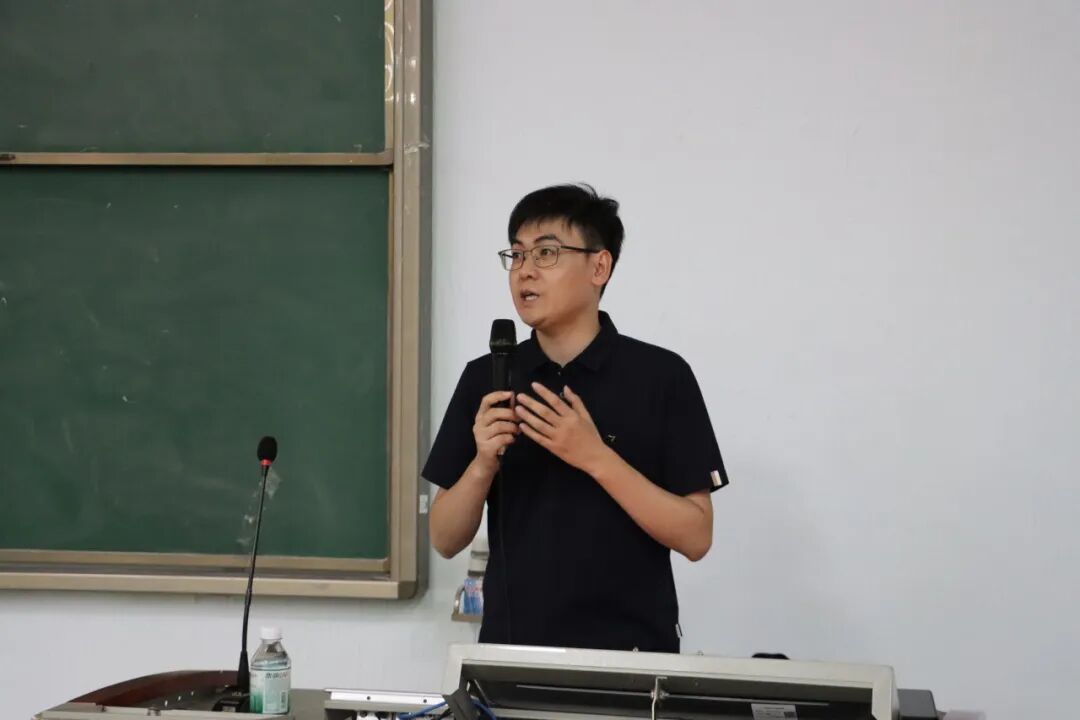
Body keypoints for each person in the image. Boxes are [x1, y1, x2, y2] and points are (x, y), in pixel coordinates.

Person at [423, 183, 728, 652]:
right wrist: (482, 464)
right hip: (511, 657)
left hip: (631, 661)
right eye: (517, 255)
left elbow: (696, 536)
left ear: (599, 267)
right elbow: (444, 539)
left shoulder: (661, 376)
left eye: (546, 253)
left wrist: (594, 457)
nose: (525, 271)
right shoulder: (488, 377)